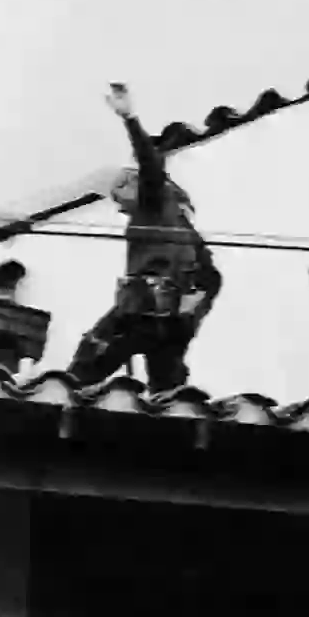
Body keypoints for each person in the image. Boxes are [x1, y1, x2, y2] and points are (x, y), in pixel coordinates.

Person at [66, 83, 223, 393]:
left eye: (122, 189)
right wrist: (193, 313)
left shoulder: (154, 201)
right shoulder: (183, 227)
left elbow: (150, 166)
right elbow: (212, 278)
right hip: (172, 322)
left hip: (143, 310)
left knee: (87, 361)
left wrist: (129, 118)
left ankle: (54, 400)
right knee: (167, 392)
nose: (118, 199)